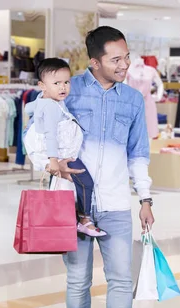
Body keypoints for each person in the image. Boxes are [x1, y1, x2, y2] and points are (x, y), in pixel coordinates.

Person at [56, 26, 155, 308]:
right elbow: (39, 131)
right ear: (94, 62)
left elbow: (138, 153)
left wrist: (144, 197)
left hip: (115, 204)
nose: (125, 64)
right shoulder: (69, 91)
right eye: (116, 59)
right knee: (78, 282)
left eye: (127, 57)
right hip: (74, 205)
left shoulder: (132, 99)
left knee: (120, 281)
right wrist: (50, 163)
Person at [24, 58, 106, 237]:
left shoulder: (47, 101)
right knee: (86, 183)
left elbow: (27, 109)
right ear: (42, 85)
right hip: (63, 157)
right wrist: (53, 160)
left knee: (64, 190)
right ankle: (85, 219)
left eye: (66, 82)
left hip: (60, 155)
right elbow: (51, 136)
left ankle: (69, 221)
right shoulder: (52, 108)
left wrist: (39, 105)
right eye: (57, 83)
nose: (63, 87)